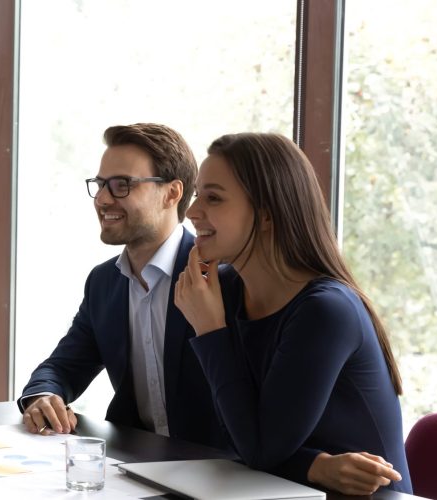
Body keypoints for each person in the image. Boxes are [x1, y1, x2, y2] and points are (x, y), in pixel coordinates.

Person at [175, 132, 409, 495]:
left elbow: (257, 447)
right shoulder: (225, 292)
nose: (191, 211)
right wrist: (316, 466)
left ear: (267, 216)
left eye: (213, 197)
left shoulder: (325, 310)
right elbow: (223, 433)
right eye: (196, 195)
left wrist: (209, 329)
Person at [16, 124, 228, 449]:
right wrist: (44, 396)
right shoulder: (104, 283)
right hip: (133, 465)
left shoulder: (219, 277)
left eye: (121, 185)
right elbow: (63, 366)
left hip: (217, 475)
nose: (102, 199)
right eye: (100, 185)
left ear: (171, 193)